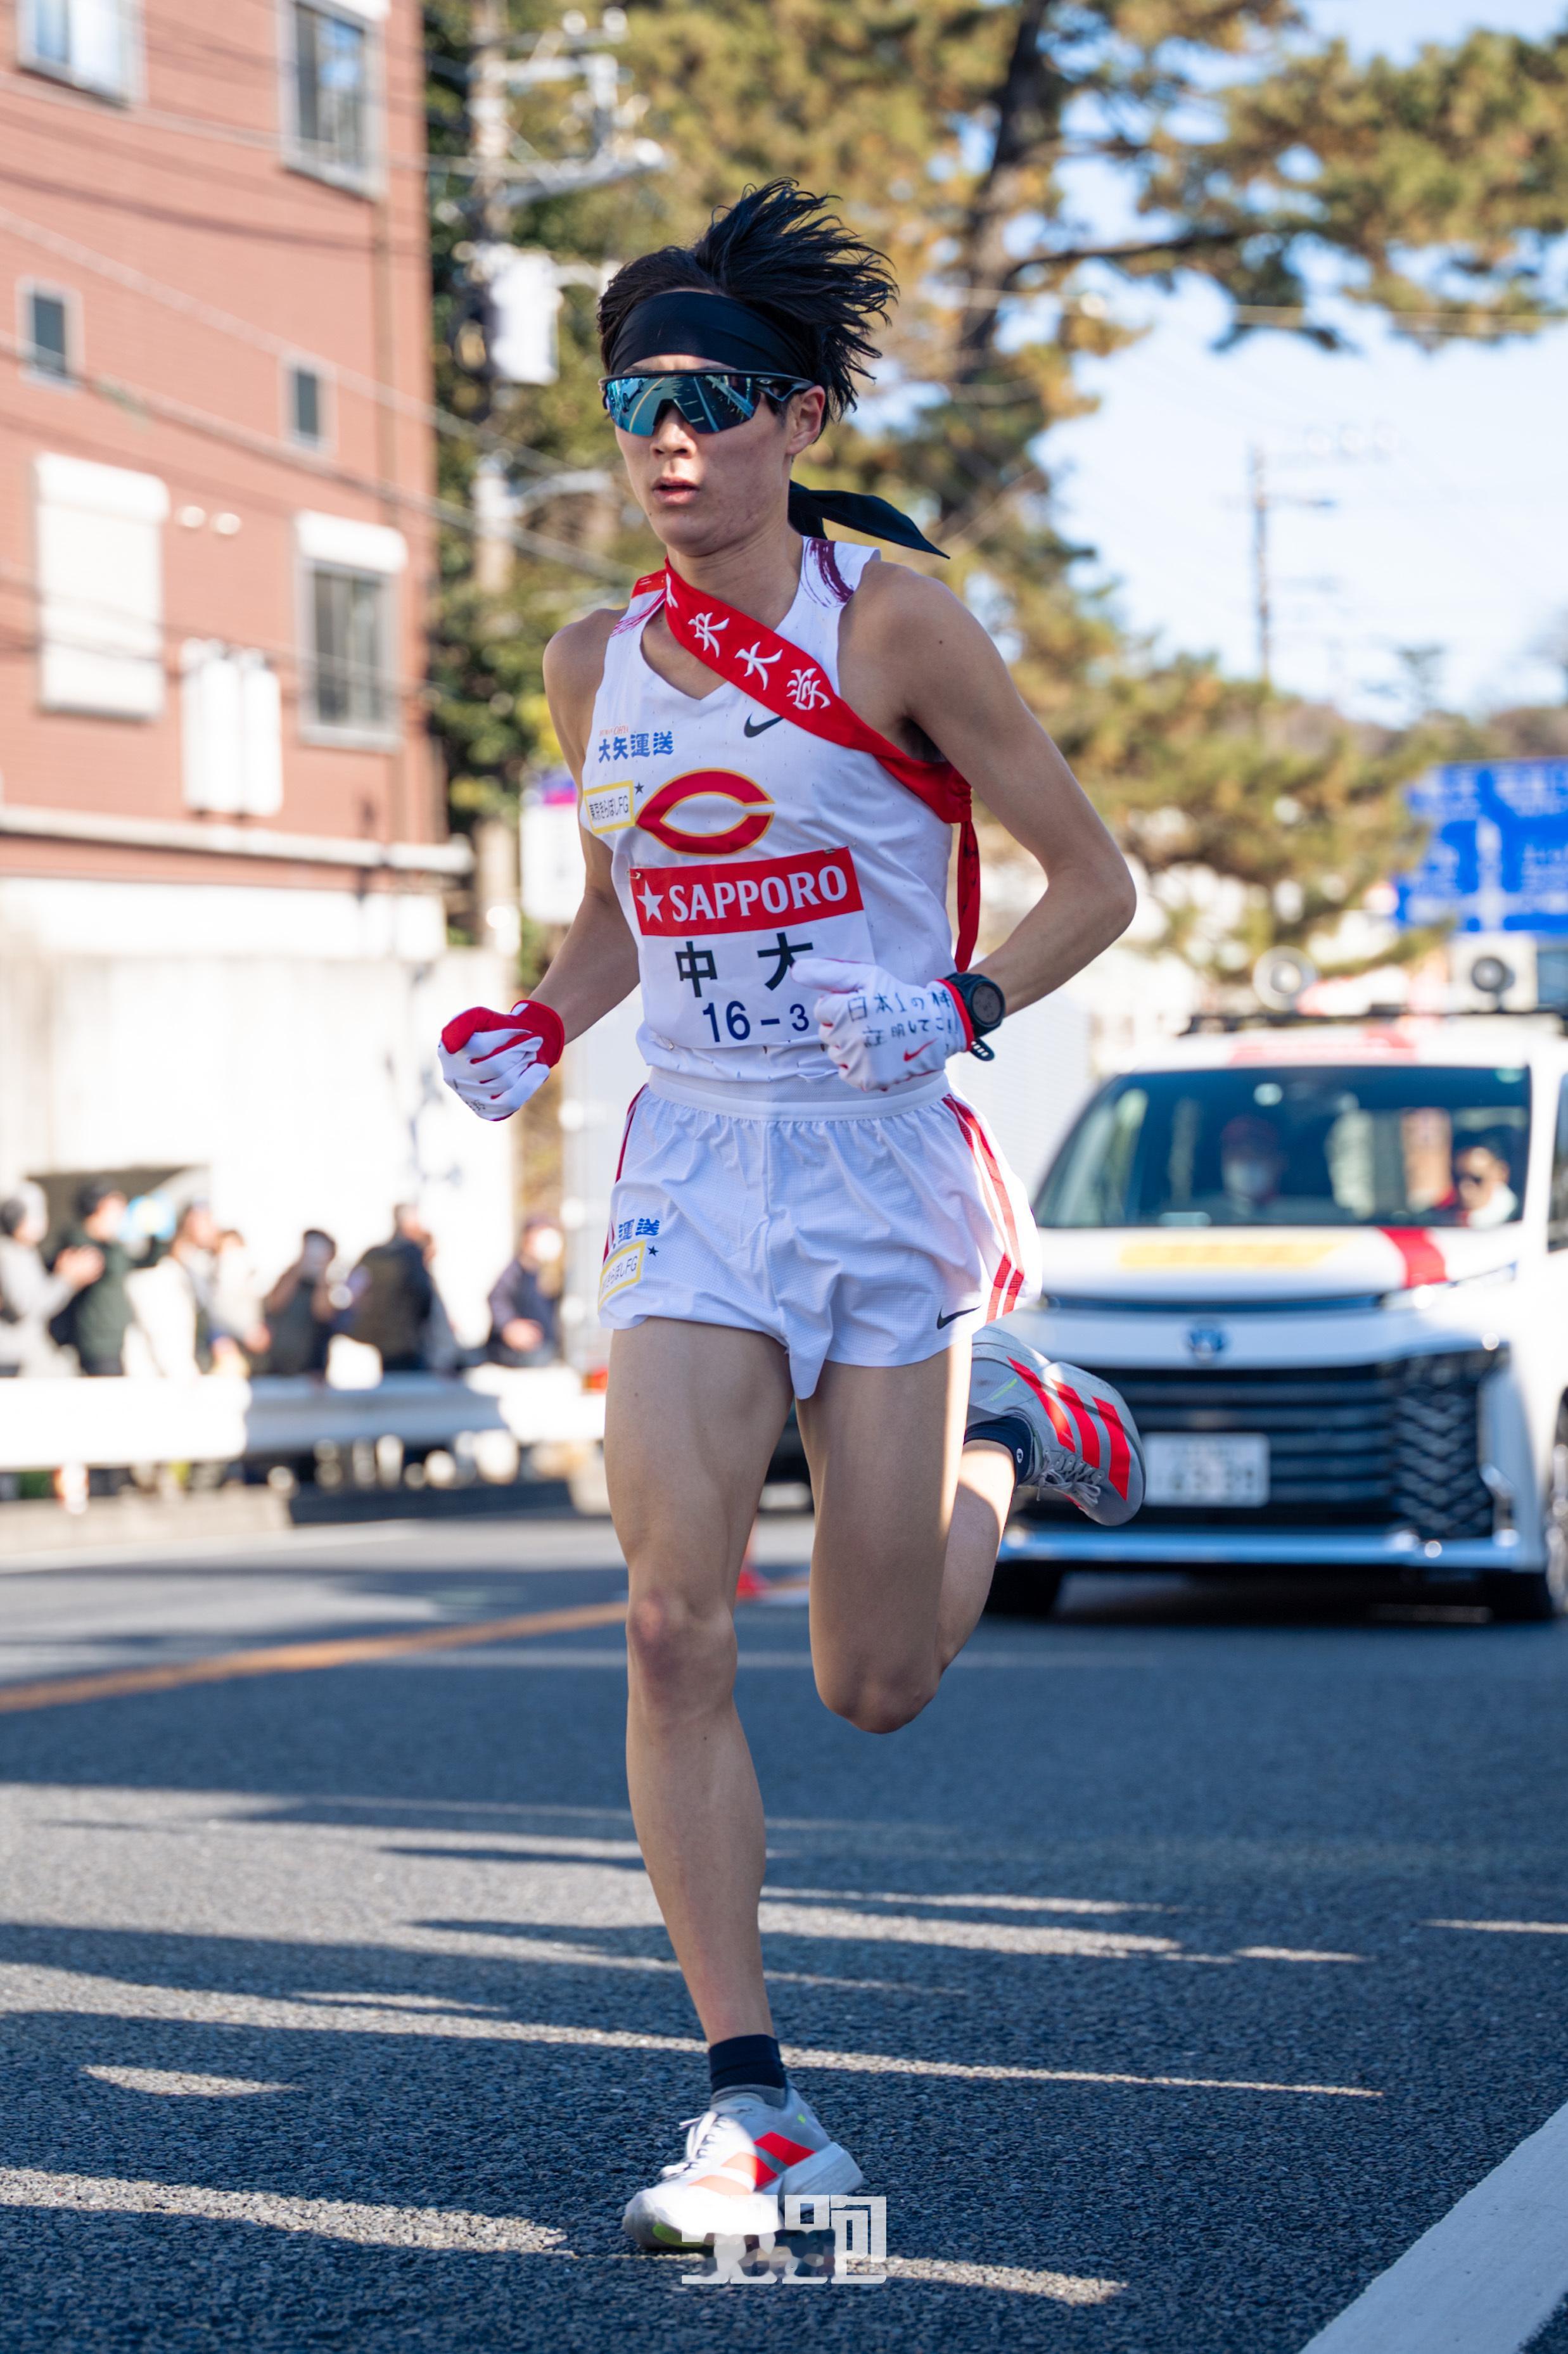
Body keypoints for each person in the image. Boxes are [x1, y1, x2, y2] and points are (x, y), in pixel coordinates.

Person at [436, 182, 1146, 2251]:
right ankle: (754, 2103)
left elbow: (1090, 882)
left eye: (716, 401)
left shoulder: (894, 622)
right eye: (640, 400)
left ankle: (1016, 1448)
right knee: (666, 1619)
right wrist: (531, 1026)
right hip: (696, 1162)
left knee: (873, 1680)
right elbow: (611, 924)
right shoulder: (594, 663)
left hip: (880, 1164)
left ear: (799, 420)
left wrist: (959, 998)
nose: (671, 440)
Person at [0, 1186, 101, 1377]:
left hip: (25, 1353)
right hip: (10, 1356)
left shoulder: (25, 1253)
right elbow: (26, 1307)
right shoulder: (8, 1254)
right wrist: (67, 1279)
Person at [49, 1180, 133, 1376]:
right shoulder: (79, 1243)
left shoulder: (111, 1245)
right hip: (96, 1342)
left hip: (115, 1340)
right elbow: (105, 1265)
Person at [344, 1206, 437, 1374]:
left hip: (378, 1342)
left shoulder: (373, 1255)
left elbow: (350, 1291)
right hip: (406, 1344)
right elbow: (425, 1298)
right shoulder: (411, 1255)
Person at [486, 1218, 563, 1366]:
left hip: (545, 1351)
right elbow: (496, 1298)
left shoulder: (548, 1272)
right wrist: (509, 1325)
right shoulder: (515, 1271)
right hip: (515, 1354)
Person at [261, 1230, 338, 1376]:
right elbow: (274, 1304)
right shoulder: (290, 1277)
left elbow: (323, 1314)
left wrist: (322, 1273)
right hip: (277, 1363)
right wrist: (299, 1268)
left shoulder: (328, 1286)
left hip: (309, 1368)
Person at [1453, 1135, 1519, 1228]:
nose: (1463, 1187)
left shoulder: (1518, 1221)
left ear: (1501, 1174)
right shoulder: (1440, 1217)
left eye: (1476, 1179)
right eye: (1457, 1178)